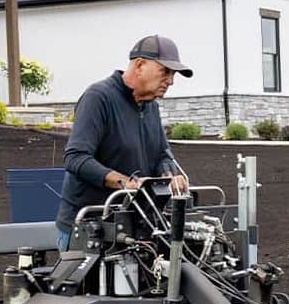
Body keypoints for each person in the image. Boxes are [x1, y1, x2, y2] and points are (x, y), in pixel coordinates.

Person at [56, 34, 193, 251]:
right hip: (88, 228)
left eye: (173, 74)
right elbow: (76, 158)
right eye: (165, 72)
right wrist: (126, 183)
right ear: (139, 65)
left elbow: (161, 153)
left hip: (135, 226)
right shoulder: (98, 97)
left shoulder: (151, 106)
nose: (171, 81)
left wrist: (170, 172)